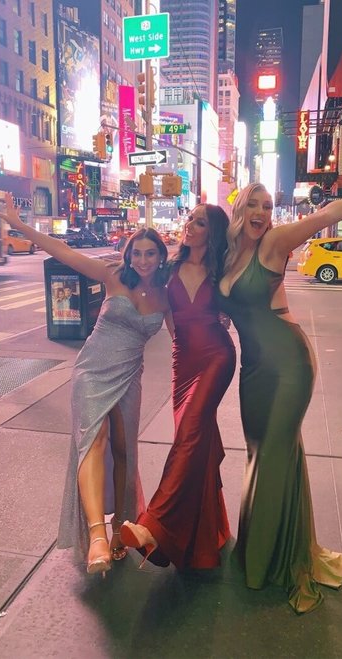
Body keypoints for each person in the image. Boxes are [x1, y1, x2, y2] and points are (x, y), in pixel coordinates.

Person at [217, 140, 342, 614]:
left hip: (288, 365)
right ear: (239, 209)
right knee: (262, 454)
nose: (261, 213)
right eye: (253, 204)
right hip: (253, 370)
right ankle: (273, 547)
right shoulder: (228, 257)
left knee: (273, 455)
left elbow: (328, 214)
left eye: (267, 206)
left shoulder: (274, 244)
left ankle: (269, 565)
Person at [0, 193, 169, 575]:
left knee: (124, 451)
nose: (142, 260)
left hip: (130, 376)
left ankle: (121, 525)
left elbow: (184, 339)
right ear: (128, 255)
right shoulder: (112, 275)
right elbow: (62, 251)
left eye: (150, 254)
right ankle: (96, 535)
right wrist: (20, 225)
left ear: (160, 257)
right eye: (137, 253)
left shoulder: (165, 294)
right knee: (94, 439)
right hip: (92, 370)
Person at [120, 204, 236, 569]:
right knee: (196, 442)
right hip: (183, 362)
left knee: (188, 436)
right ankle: (205, 538)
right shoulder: (168, 269)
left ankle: (153, 526)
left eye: (199, 222)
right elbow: (148, 295)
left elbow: (245, 301)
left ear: (212, 232)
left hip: (217, 357)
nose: (190, 226)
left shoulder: (222, 270)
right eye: (190, 219)